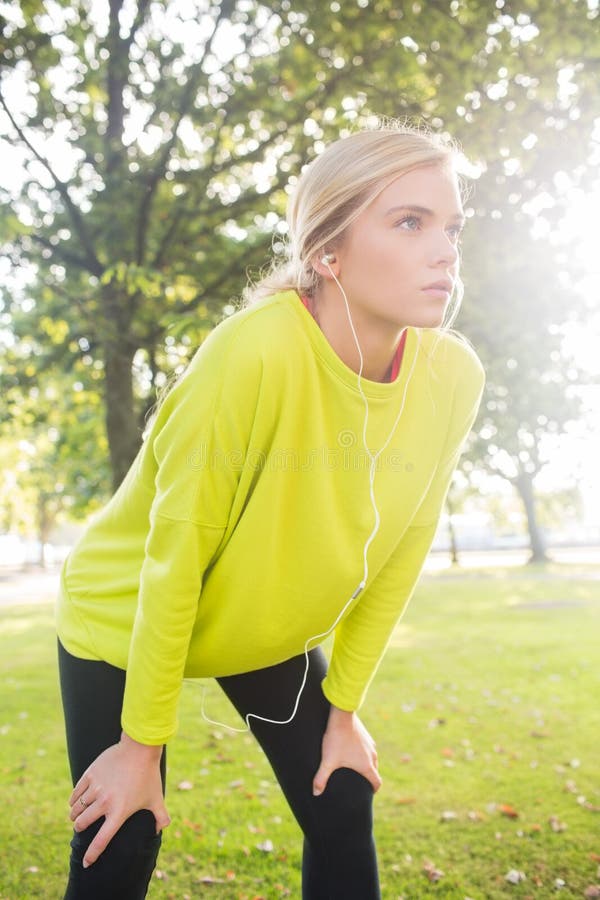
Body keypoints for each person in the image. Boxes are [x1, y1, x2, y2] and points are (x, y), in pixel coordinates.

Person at [56, 122, 485, 899]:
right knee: (122, 834)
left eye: (450, 225)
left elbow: (407, 545)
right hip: (125, 613)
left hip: (258, 628)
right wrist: (139, 747)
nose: (445, 248)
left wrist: (344, 711)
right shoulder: (252, 353)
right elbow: (174, 554)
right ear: (328, 253)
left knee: (342, 796)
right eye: (410, 222)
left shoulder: (452, 374)